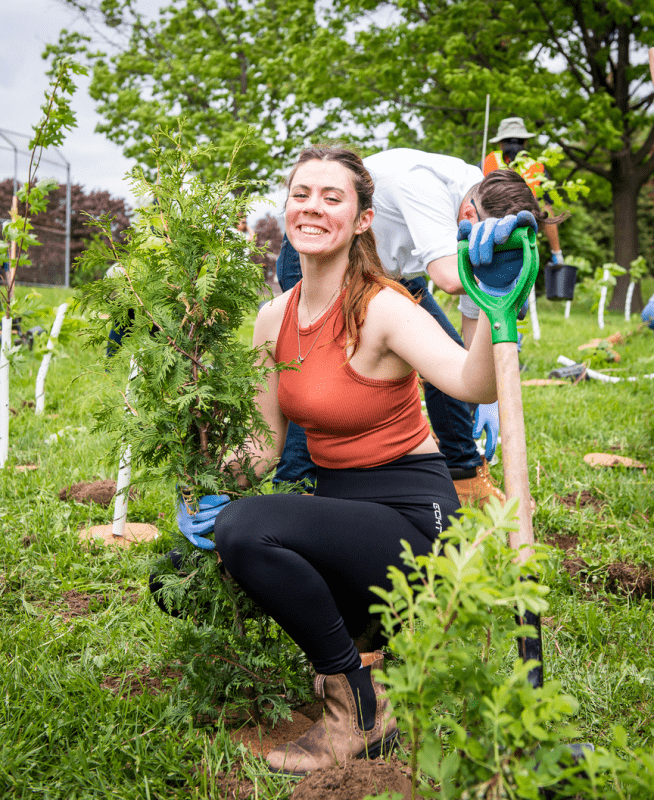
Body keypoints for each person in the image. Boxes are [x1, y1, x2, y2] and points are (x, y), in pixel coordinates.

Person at [154, 145, 537, 775]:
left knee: (249, 529)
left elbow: (473, 384)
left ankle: (356, 708)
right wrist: (205, 486)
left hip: (414, 522)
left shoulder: (384, 307)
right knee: (184, 563)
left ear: (362, 219)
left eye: (334, 197)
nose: (313, 207)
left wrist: (486, 305)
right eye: (302, 193)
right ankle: (367, 653)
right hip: (343, 515)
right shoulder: (272, 317)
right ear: (286, 208)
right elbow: (265, 445)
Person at [275, 149, 547, 503]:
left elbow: (468, 338)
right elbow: (449, 277)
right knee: (318, 381)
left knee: (441, 351)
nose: (489, 249)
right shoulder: (423, 183)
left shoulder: (472, 207)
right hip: (318, 257)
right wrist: (496, 279)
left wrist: (487, 388)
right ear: (469, 214)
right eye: (491, 238)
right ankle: (297, 485)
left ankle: (463, 470)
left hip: (381, 271)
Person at [484, 117, 565, 266]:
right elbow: (547, 211)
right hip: (524, 241)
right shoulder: (537, 169)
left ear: (500, 143)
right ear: (526, 142)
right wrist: (556, 253)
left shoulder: (486, 163)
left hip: (489, 241)